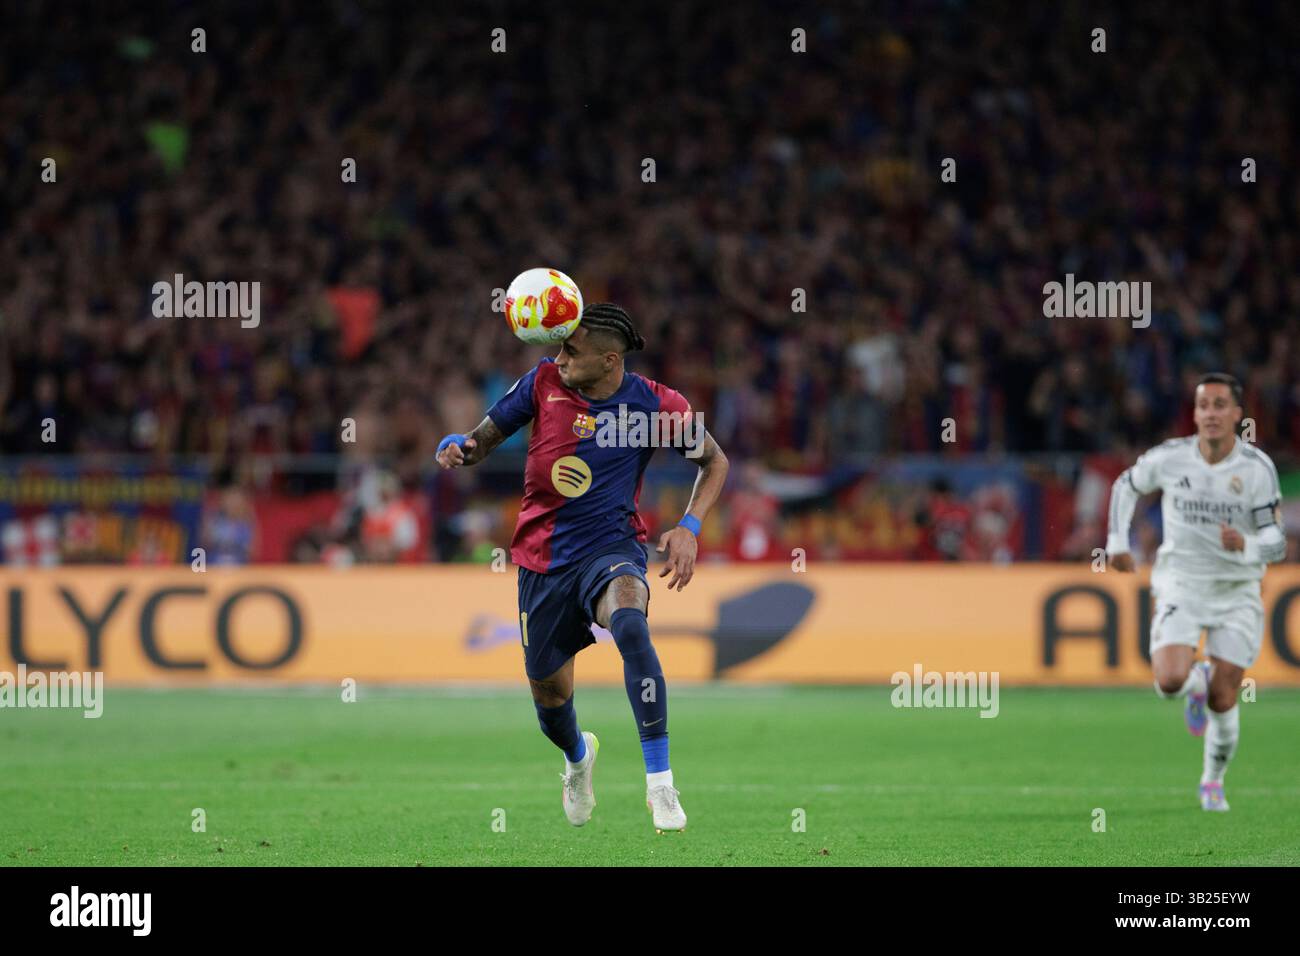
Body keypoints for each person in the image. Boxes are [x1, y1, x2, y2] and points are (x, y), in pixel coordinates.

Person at [435, 303, 729, 833]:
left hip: (611, 547)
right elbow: (481, 442)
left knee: (631, 624)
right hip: (542, 561)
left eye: (572, 349)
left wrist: (690, 526)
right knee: (549, 696)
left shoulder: (657, 406)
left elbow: (715, 461)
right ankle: (577, 758)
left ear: (610, 360)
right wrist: (460, 447)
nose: (559, 355)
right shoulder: (541, 382)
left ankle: (660, 784)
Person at [1106, 373, 1286, 811]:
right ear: (1195, 413)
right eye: (1203, 405)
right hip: (1181, 583)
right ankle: (1194, 682)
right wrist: (1116, 542)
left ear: (1238, 415)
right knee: (1168, 682)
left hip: (1237, 589)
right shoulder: (1171, 458)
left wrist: (1246, 546)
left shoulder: (1257, 470)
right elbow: (1125, 485)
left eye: (1220, 405)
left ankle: (1212, 780)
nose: (1210, 414)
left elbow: (1276, 542)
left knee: (1226, 697)